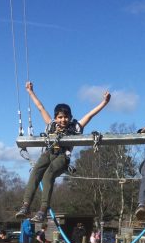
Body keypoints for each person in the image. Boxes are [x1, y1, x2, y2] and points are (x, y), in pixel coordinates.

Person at [15, 82, 111, 223]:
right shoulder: (51, 125)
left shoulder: (75, 127)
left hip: (62, 156)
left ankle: (43, 209)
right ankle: (25, 205)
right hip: (49, 153)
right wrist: (30, 92)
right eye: (60, 117)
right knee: (36, 172)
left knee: (48, 175)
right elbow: (40, 108)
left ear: (70, 117)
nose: (63, 120)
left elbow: (90, 115)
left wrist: (104, 102)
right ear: (56, 118)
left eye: (65, 117)